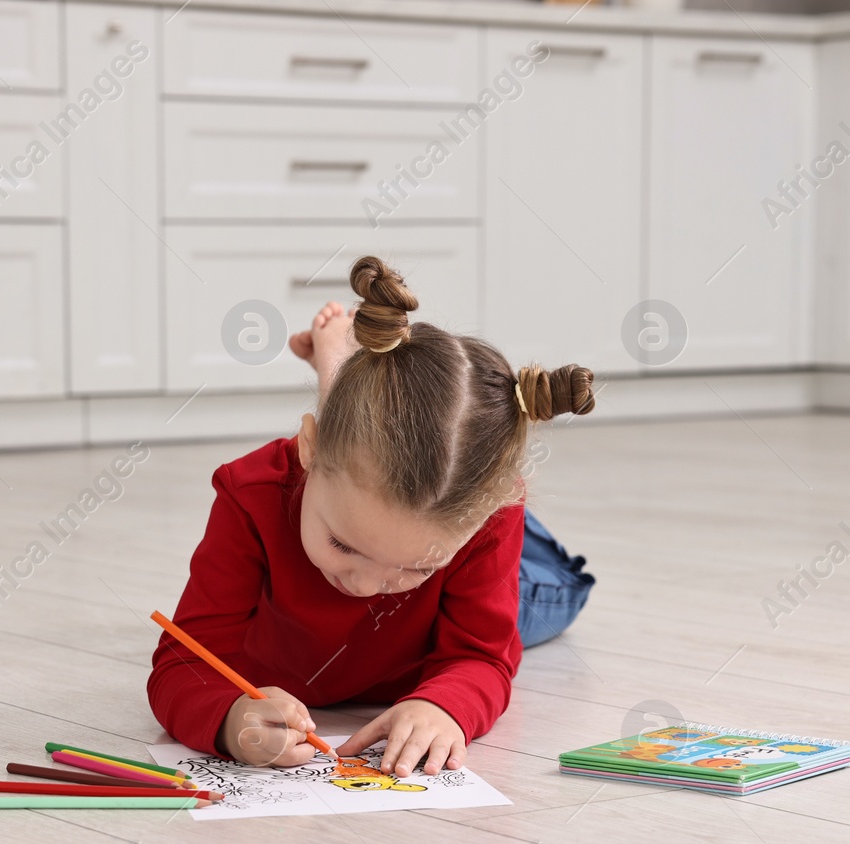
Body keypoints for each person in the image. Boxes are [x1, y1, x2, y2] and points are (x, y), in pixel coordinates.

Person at [148, 256, 595, 779]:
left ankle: (339, 376)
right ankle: (339, 380)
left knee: (557, 588)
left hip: (479, 541)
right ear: (308, 448)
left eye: (416, 569)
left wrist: (444, 706)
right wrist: (228, 718)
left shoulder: (491, 518)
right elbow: (184, 666)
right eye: (343, 545)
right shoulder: (251, 495)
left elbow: (483, 657)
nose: (364, 587)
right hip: (384, 501)